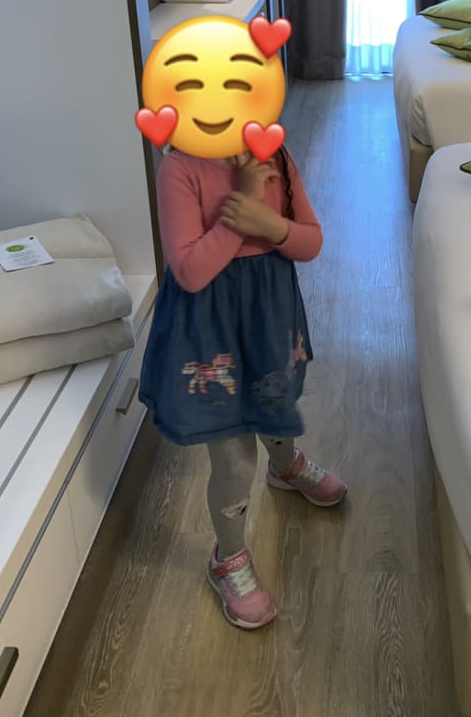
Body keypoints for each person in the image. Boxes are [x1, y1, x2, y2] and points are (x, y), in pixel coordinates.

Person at [139, 146, 346, 630]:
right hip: (210, 335)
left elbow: (311, 241)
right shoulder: (180, 168)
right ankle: (227, 557)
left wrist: (271, 225)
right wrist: (243, 211)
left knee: (274, 403)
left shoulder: (275, 155)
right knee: (233, 457)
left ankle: (285, 466)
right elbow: (190, 272)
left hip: (268, 319)